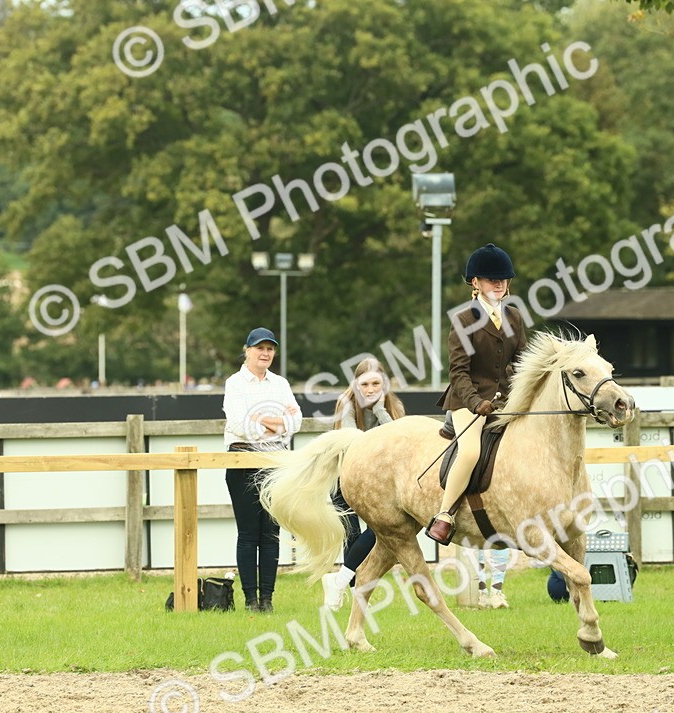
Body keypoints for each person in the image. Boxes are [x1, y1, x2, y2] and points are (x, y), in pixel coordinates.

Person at [427, 243, 528, 545]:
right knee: (471, 451)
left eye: (502, 279)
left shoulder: (513, 317)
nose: (498, 284)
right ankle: (445, 514)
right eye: (490, 279)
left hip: (505, 402)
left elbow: (523, 363)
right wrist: (475, 403)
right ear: (475, 283)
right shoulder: (464, 319)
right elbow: (458, 372)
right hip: (467, 400)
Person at [223, 327, 303, 612]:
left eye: (270, 349)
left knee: (271, 532)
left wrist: (263, 421)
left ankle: (267, 599)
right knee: (248, 533)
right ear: (248, 350)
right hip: (243, 461)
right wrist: (277, 423)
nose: (265, 353)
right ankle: (250, 599)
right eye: (260, 348)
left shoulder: (280, 384)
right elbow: (239, 425)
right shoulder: (235, 383)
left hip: (275, 463)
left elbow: (296, 422)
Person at [321, 358, 406, 610]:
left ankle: (338, 582)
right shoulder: (345, 404)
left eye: (376, 383)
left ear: (384, 384)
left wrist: (380, 411)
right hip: (344, 477)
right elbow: (356, 445)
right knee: (352, 534)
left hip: (378, 483)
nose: (370, 389)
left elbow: (401, 440)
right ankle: (350, 590)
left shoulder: (392, 405)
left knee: (379, 531)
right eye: (365, 384)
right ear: (356, 384)